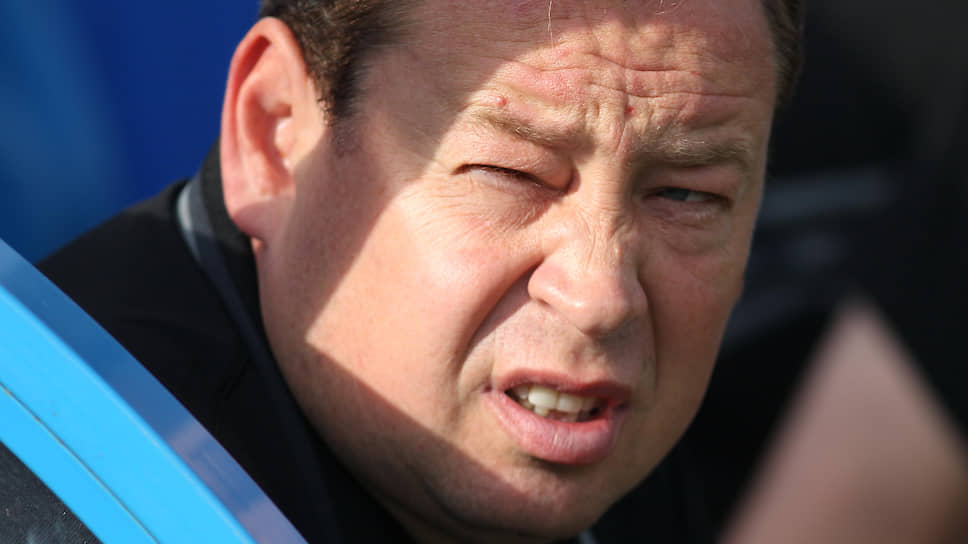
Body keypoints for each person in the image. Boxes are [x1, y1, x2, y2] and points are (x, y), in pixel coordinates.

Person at [39, 0, 802, 542]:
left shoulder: (619, 465)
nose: (601, 296)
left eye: (686, 195)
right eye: (512, 172)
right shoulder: (58, 483)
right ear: (275, 135)